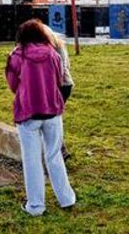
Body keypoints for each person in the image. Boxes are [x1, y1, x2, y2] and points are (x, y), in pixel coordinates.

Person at [5, 19, 76, 216]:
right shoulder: (53, 53)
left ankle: (36, 205)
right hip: (52, 111)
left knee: (32, 160)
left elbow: (12, 83)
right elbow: (59, 77)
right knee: (54, 155)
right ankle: (66, 198)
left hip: (28, 113)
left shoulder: (17, 55)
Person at [41, 23, 75, 160]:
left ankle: (60, 150)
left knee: (50, 119)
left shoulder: (52, 48)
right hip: (65, 85)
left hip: (58, 86)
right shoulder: (59, 44)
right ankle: (60, 149)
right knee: (53, 118)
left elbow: (58, 71)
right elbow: (66, 65)